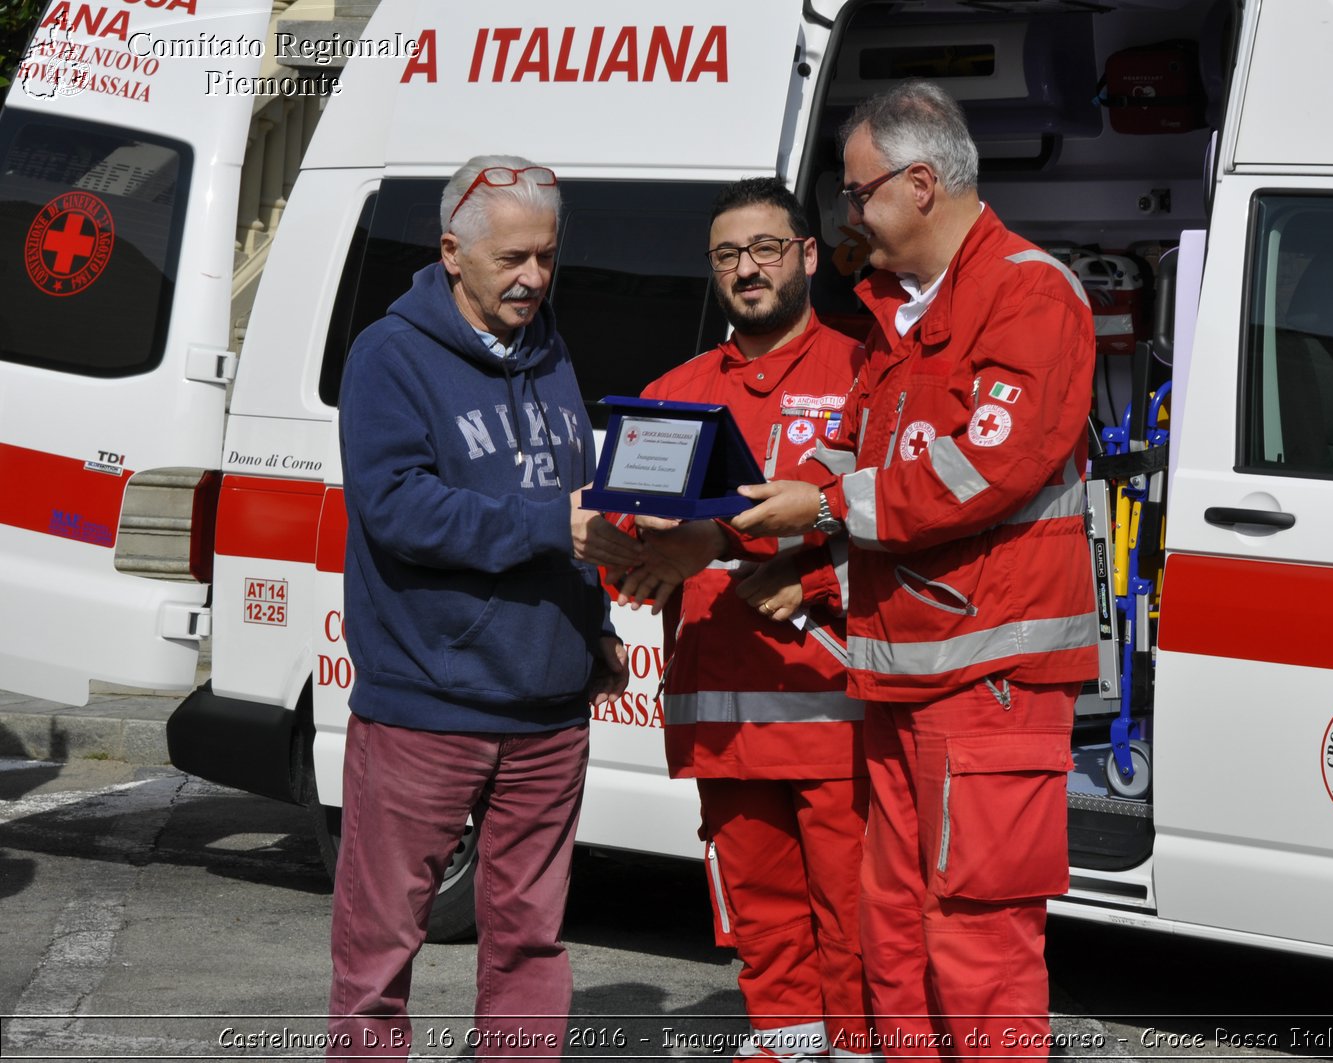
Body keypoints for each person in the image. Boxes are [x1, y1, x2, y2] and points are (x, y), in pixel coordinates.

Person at [727, 82, 1099, 1059]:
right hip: (902, 671)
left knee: (974, 939)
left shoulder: (1028, 293)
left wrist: (826, 508)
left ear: (920, 184)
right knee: (892, 930)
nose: (848, 214)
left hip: (990, 682)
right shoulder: (901, 315)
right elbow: (854, 450)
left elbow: (982, 468)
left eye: (857, 194)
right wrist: (752, 514)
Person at [329, 154, 644, 1059]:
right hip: (429, 702)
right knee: (380, 946)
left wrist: (596, 626)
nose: (533, 278)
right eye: (512, 259)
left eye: (546, 257)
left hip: (548, 710)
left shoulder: (549, 347)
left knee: (529, 940)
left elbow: (572, 495)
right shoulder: (389, 354)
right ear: (452, 253)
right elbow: (397, 508)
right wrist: (552, 525)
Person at [615, 177, 874, 1061]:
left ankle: (860, 1047)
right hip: (719, 709)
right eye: (728, 255)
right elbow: (625, 529)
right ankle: (786, 1045)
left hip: (835, 704)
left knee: (856, 910)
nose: (747, 269)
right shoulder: (674, 390)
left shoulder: (866, 374)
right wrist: (622, 531)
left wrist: (820, 583)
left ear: (807, 255)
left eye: (765, 249)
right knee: (758, 910)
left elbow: (912, 525)